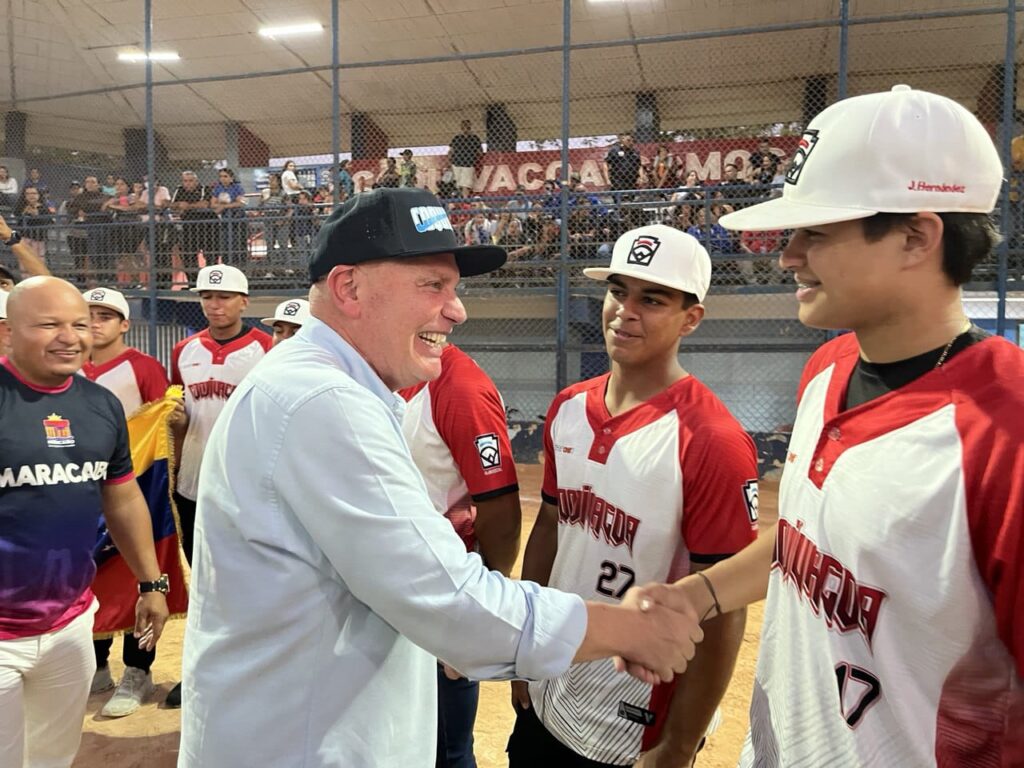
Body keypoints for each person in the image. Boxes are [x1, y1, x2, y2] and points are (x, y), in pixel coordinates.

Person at [178, 188, 704, 768]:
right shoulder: (323, 400)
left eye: (454, 288)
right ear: (349, 288)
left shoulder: (319, 381)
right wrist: (627, 629)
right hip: (302, 743)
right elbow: (453, 602)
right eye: (433, 285)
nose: (457, 310)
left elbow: (420, 586)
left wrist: (457, 621)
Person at [637, 85, 1024, 766]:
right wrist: (696, 595)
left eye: (815, 233)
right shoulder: (828, 366)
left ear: (917, 237)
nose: (788, 254)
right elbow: (805, 538)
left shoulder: (1006, 436)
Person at [506, 224, 758, 768]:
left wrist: (677, 745)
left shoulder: (711, 440)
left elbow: (724, 609)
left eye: (653, 299)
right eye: (618, 291)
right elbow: (549, 526)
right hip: (550, 685)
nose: (625, 311)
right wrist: (527, 650)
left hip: (634, 718)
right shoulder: (569, 407)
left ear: (691, 318)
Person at [0, 276, 169, 768]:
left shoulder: (100, 404)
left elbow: (122, 497)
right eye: (48, 325)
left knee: (53, 756)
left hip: (70, 622)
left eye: (79, 324)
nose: (70, 337)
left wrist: (151, 583)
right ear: (9, 331)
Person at [398, 343, 524, 768]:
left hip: (441, 597)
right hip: (390, 591)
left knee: (446, 752)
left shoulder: (459, 387)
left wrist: (473, 613)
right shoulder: (382, 372)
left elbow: (501, 510)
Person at [167, 264, 271, 707]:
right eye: (207, 297)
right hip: (194, 482)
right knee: (204, 580)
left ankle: (253, 669)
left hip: (245, 487)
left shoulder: (267, 348)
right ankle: (203, 670)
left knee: (250, 579)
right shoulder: (184, 350)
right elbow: (180, 414)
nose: (215, 304)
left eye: (225, 296)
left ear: (244, 301)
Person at [79, 287, 172, 717]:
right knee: (89, 580)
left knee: (141, 580)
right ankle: (97, 666)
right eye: (89, 315)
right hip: (81, 496)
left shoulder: (143, 367)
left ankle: (138, 669)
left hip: (133, 492)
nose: (95, 323)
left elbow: (160, 431)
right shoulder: (68, 368)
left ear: (124, 324)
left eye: (105, 316)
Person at [449, 120, 483, 198]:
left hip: (468, 163)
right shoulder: (457, 138)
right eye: (464, 126)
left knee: (465, 184)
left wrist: (474, 158)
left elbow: (480, 151)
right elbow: (451, 151)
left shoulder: (474, 138)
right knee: (458, 183)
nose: (465, 128)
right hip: (457, 162)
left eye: (467, 126)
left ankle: (464, 199)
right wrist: (450, 162)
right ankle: (459, 198)